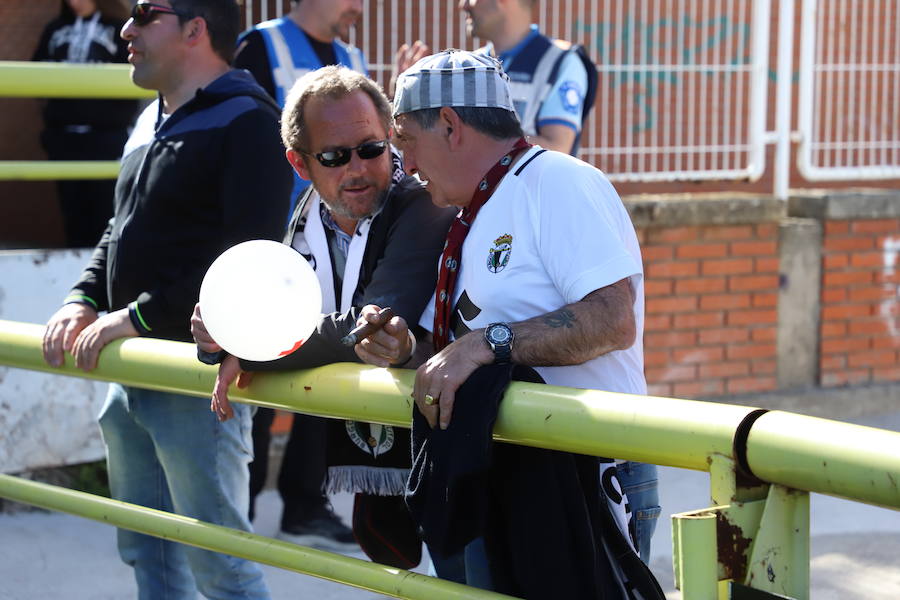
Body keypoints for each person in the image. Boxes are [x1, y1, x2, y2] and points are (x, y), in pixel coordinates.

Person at [355, 50, 663, 599]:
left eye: (404, 138)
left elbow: (613, 319)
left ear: (449, 125)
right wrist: (407, 346)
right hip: (502, 474)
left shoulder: (557, 182)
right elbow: (457, 343)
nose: (402, 161)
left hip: (586, 474)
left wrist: (486, 344)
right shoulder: (471, 207)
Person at [41, 1, 293, 597]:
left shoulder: (250, 120)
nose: (124, 29)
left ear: (195, 28)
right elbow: (117, 228)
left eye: (143, 14)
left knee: (220, 567)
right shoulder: (150, 117)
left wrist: (136, 316)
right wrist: (82, 297)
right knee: (146, 553)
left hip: (197, 378)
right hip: (131, 369)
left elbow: (248, 257)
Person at [189, 65, 455, 564]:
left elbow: (368, 321)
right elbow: (278, 309)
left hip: (464, 455)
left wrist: (245, 345)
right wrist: (223, 336)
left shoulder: (424, 202)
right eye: (333, 156)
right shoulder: (306, 213)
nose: (357, 169)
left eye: (373, 149)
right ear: (299, 164)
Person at [462, 0, 658, 559]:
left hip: (591, 442)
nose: (465, 6)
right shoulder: (475, 64)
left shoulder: (561, 63)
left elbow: (550, 153)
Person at [230, 1, 371, 548]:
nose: (358, 8)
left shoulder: (351, 55)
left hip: (335, 239)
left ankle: (305, 504)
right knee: (257, 369)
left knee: (323, 370)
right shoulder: (259, 46)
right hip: (273, 241)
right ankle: (237, 505)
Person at [31, 0, 138, 248]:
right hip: (64, 136)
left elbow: (137, 76)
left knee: (105, 211)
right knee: (73, 211)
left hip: (106, 137)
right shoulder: (55, 28)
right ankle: (79, 272)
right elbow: (36, 67)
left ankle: (104, 271)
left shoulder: (119, 29)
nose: (75, 2)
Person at [460, 0, 598, 156]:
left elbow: (558, 150)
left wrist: (475, 136)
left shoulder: (559, 62)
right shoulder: (466, 64)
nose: (463, 5)